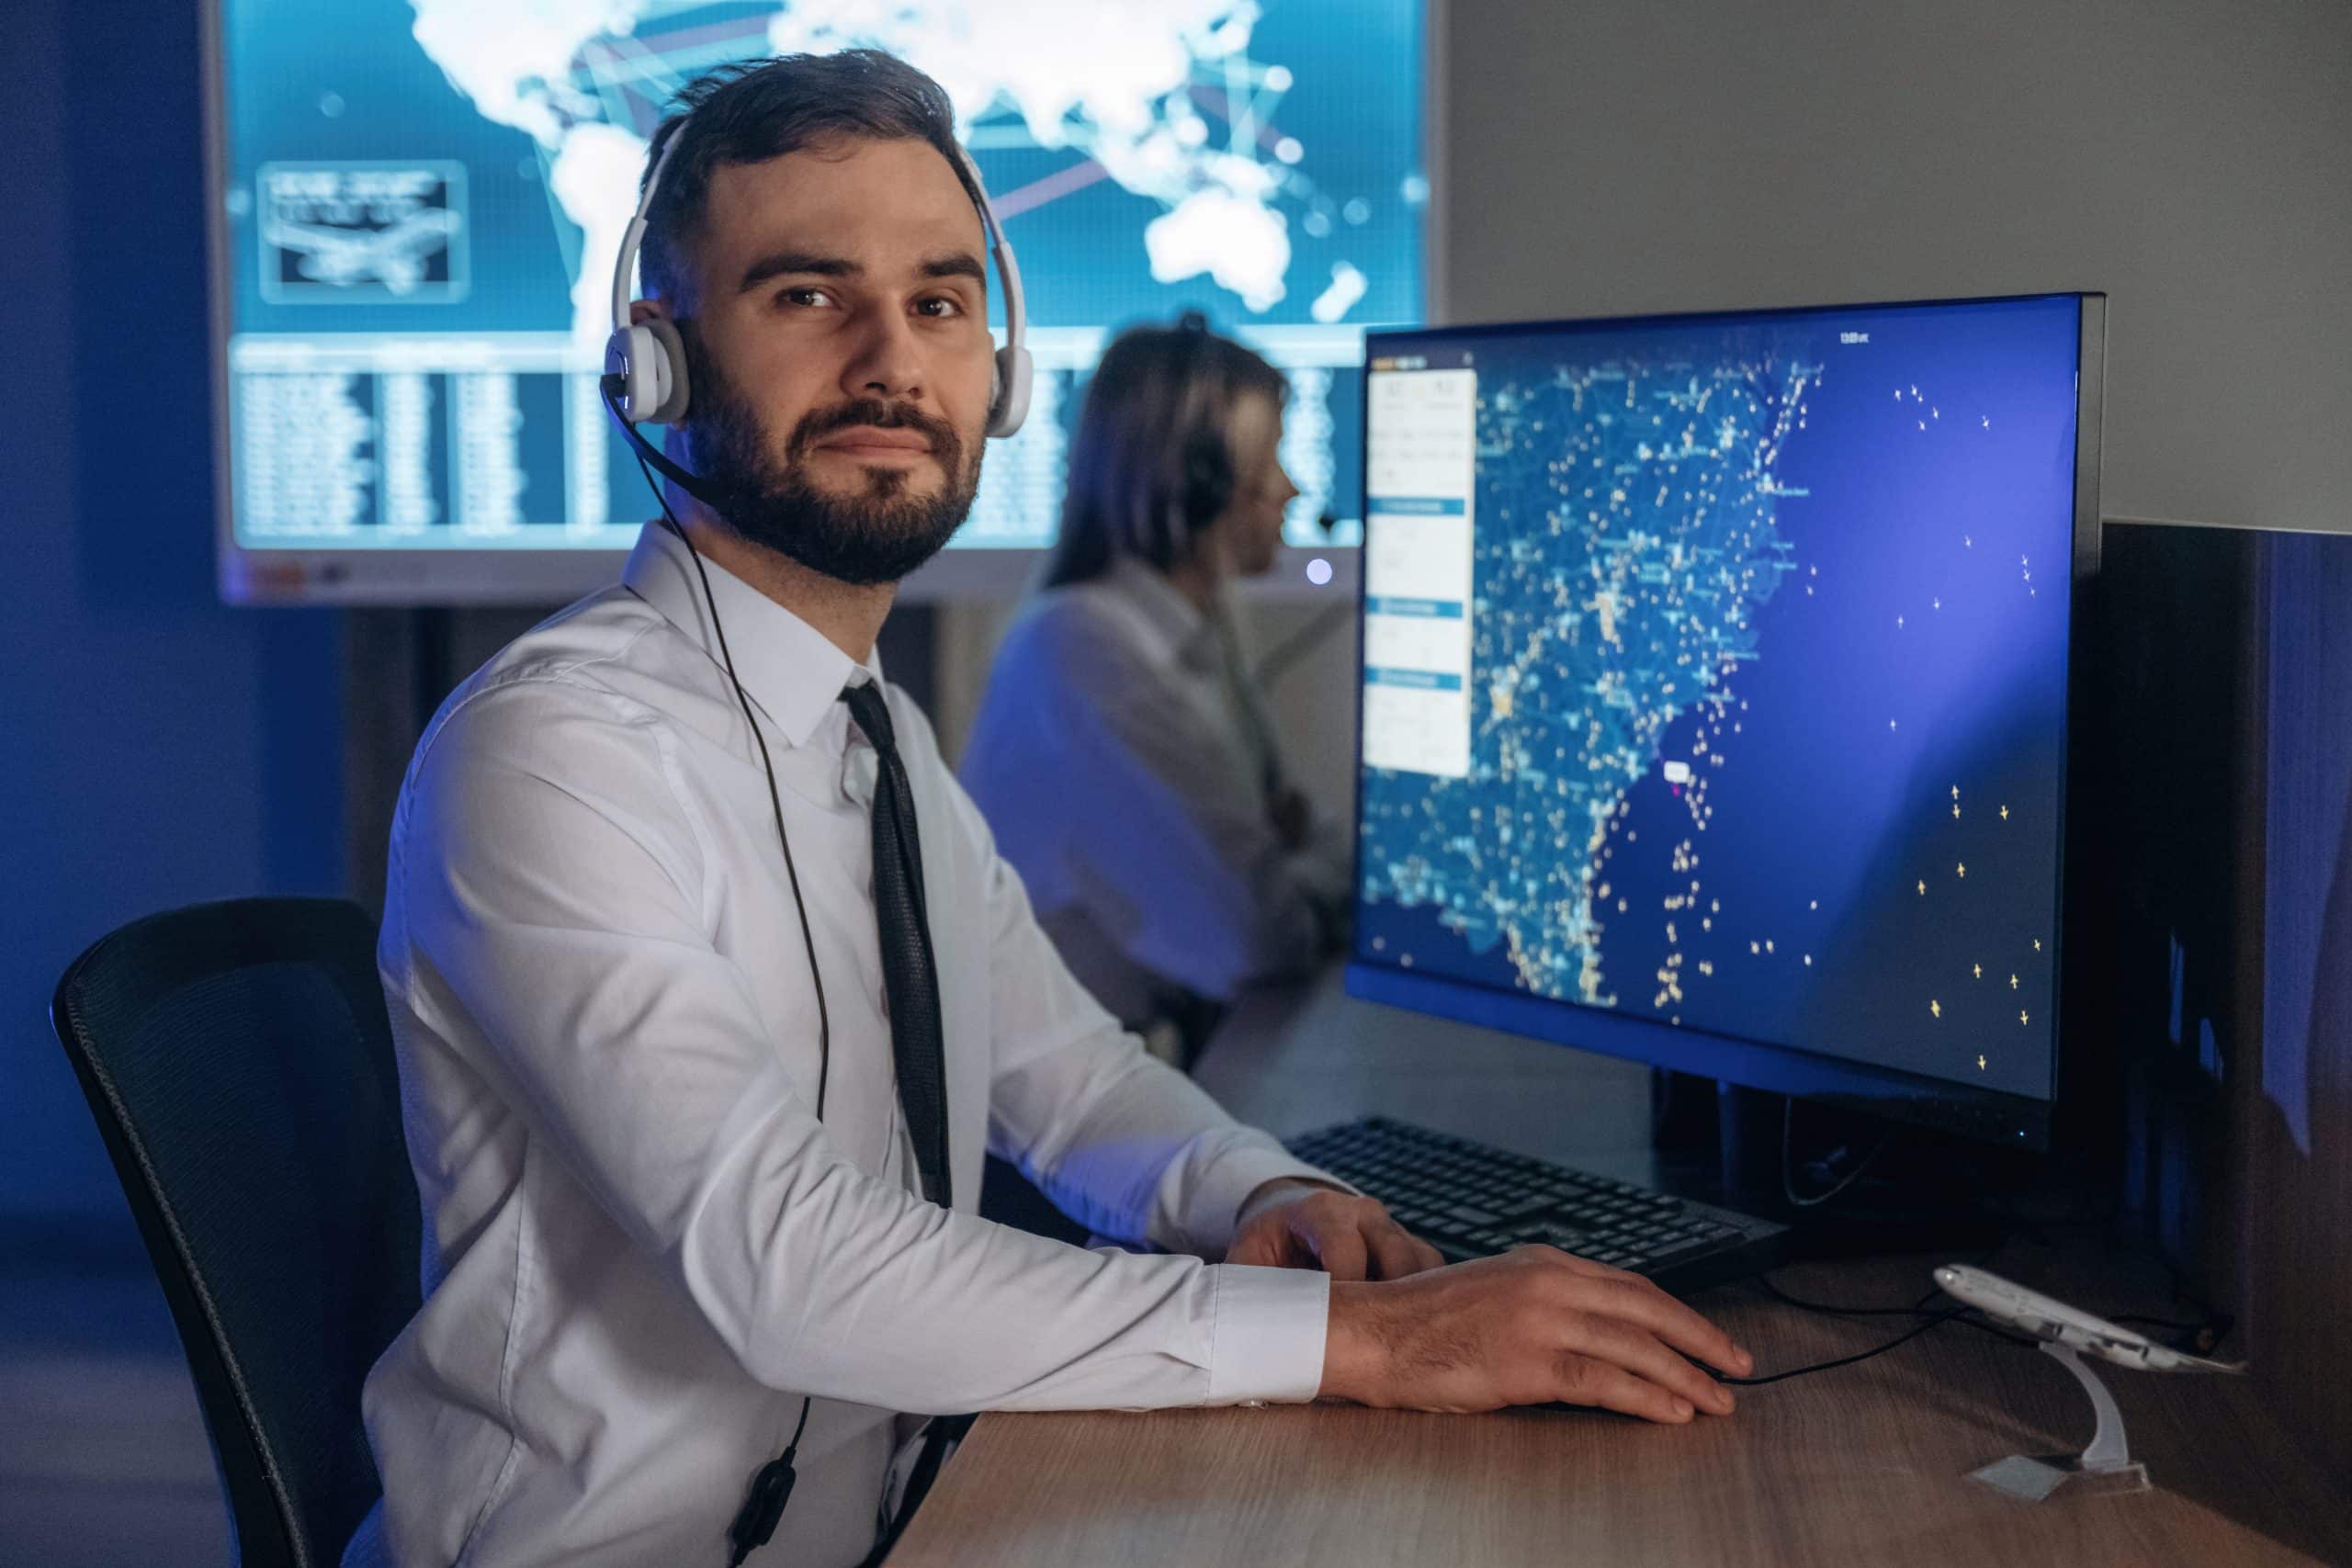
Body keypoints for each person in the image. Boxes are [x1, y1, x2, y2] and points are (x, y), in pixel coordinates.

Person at [349, 51, 1752, 1568]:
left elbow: (1067, 1079)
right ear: (658, 363)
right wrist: (1367, 1342)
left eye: (942, 303)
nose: (892, 358)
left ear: (1000, 378)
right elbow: (785, 1266)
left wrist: (1262, 1189)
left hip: (904, 1521)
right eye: (808, 294)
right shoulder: (552, 751)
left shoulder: (879, 738)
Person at [960, 319, 1351, 1038]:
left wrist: (1291, 865)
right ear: (1197, 485)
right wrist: (1299, 869)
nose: (1292, 489)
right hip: (1052, 1091)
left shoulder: (1193, 636)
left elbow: (1306, 842)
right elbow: (1259, 938)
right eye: (1270, 460)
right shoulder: (1085, 650)